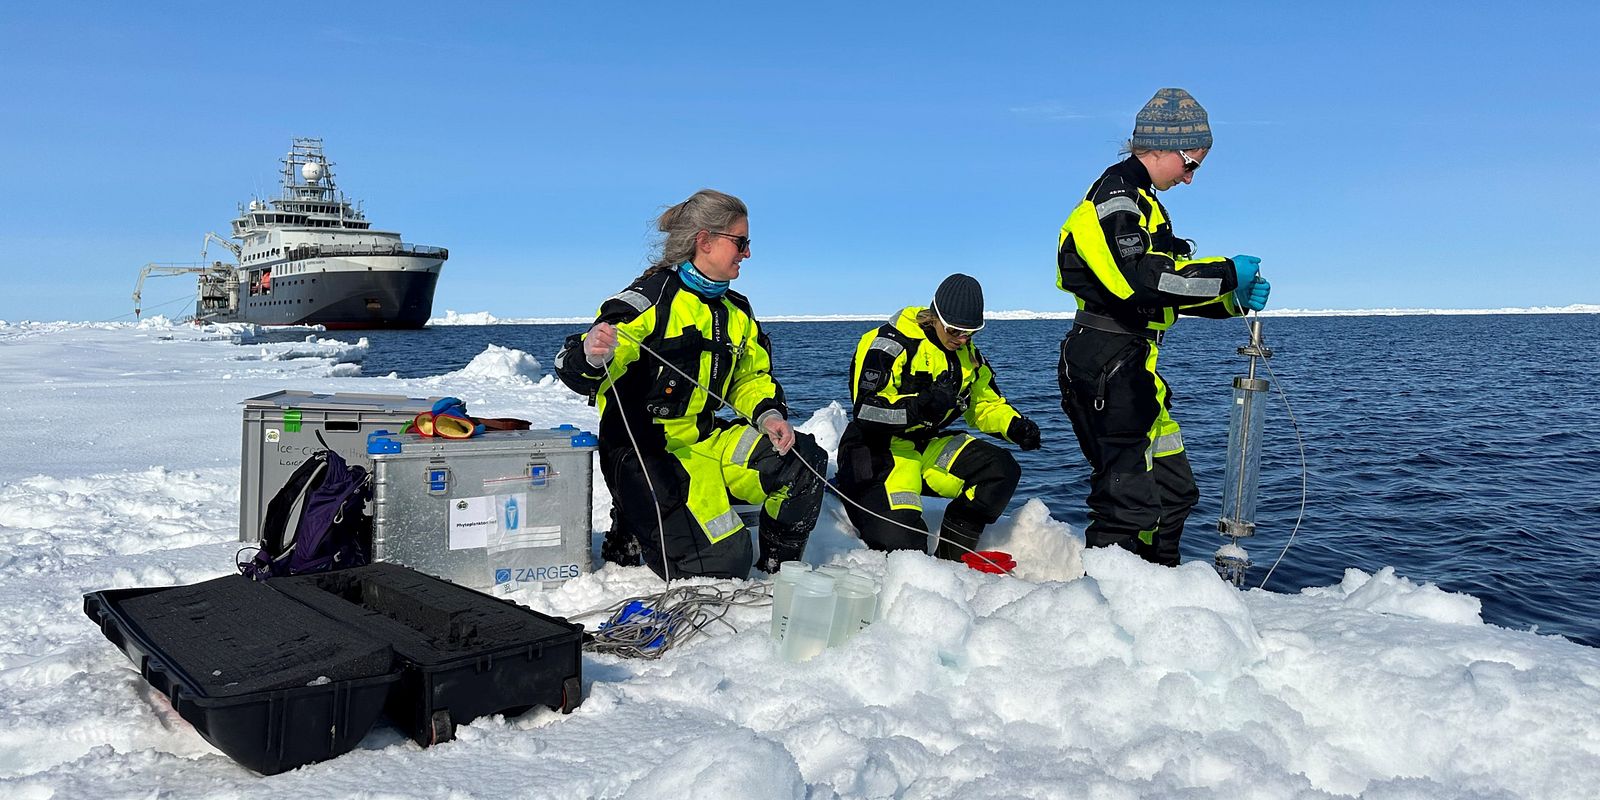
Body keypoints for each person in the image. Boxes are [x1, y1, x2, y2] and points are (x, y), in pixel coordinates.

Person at [554, 189, 828, 580]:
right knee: (724, 564)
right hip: (647, 455)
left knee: (803, 461)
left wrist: (768, 415)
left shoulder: (737, 310)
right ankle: (634, 524)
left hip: (704, 441)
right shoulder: (647, 302)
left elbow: (750, 377)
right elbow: (575, 369)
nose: (747, 253)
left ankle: (776, 573)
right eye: (741, 242)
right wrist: (593, 353)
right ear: (705, 241)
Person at [1055, 87, 1271, 567]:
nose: (1191, 178)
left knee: (1174, 494)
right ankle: (1107, 607)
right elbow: (1142, 282)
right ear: (1160, 147)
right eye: (1191, 164)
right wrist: (1228, 273)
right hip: (1105, 362)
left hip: (1135, 365)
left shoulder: (1145, 202)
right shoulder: (1114, 200)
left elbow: (1165, 297)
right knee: (1127, 503)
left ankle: (1160, 586)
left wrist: (1229, 304)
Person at [835, 273, 1042, 564]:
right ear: (936, 316)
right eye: (956, 330)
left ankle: (953, 561)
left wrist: (1015, 426)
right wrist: (923, 405)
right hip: (877, 450)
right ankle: (856, 492)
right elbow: (867, 411)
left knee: (1001, 471)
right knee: (905, 547)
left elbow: (984, 402)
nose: (962, 339)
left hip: (925, 445)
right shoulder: (889, 344)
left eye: (971, 332)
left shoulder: (967, 354)